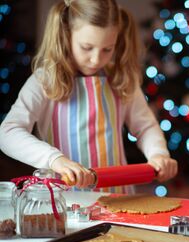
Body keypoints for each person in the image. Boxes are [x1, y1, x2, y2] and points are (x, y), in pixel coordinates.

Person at [0, 0, 177, 193]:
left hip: (118, 197)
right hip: (64, 203)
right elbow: (7, 133)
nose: (96, 59)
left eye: (107, 49)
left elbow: (145, 127)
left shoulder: (121, 78)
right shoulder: (45, 80)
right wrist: (55, 159)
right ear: (66, 35)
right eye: (86, 47)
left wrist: (158, 153)